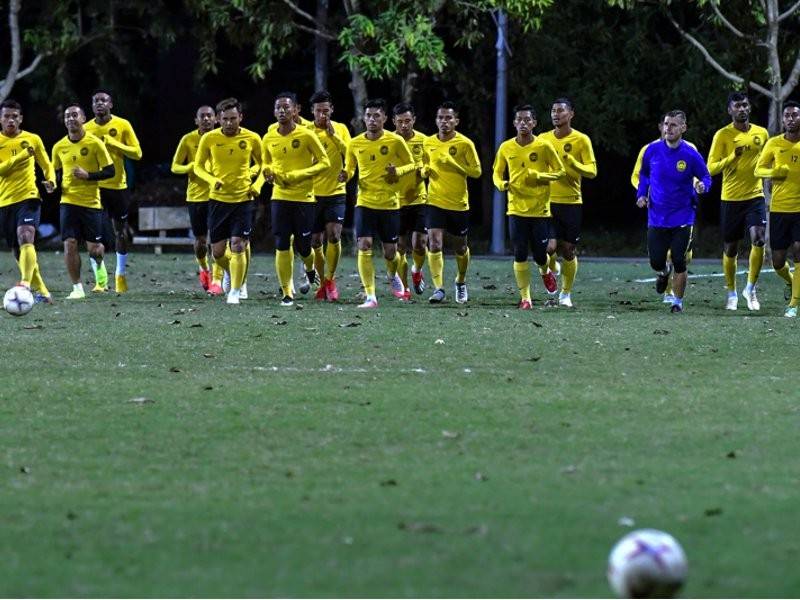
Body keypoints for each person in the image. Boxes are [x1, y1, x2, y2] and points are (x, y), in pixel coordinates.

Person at [340, 98, 415, 308]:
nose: (372, 119)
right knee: (364, 245)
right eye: (368, 115)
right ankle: (370, 296)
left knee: (391, 252)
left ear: (384, 118)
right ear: (363, 118)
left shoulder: (395, 141)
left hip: (389, 203)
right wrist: (345, 175)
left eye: (376, 116)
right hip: (364, 201)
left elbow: (411, 164)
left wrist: (397, 172)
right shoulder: (354, 143)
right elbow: (351, 168)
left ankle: (393, 275)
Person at [636, 110, 711, 313]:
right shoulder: (651, 150)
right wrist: (641, 195)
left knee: (679, 259)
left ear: (683, 128)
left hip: (683, 216)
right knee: (656, 261)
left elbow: (706, 175)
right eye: (666, 124)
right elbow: (643, 175)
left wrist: (703, 186)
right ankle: (662, 272)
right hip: (656, 216)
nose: (668, 128)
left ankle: (677, 302)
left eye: (673, 125)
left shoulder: (690, 154)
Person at [262, 91, 330, 307]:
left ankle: (310, 268)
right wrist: (268, 171)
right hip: (280, 196)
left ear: (295, 110)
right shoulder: (269, 136)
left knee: (303, 246)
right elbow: (266, 161)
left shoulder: (306, 135)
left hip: (304, 198)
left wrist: (299, 175)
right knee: (282, 243)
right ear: (274, 112)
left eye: (286, 107)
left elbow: (324, 162)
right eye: (278, 108)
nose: (282, 111)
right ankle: (286, 291)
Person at [492, 104, 564, 309]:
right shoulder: (506, 147)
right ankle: (526, 298)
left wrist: (541, 176)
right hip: (515, 209)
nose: (523, 123)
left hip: (539, 209)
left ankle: (545, 271)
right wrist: (502, 184)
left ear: (534, 123)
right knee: (520, 253)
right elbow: (496, 173)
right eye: (519, 120)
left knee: (541, 254)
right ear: (514, 123)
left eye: (527, 120)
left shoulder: (543, 147)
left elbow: (560, 172)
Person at [193, 97, 263, 305]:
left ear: (241, 117)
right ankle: (230, 272)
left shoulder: (252, 138)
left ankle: (236, 290)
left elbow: (264, 164)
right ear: (218, 119)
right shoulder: (210, 139)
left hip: (243, 200)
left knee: (238, 245)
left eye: (233, 118)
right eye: (225, 119)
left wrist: (257, 185)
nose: (229, 123)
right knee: (218, 252)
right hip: (218, 202)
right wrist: (212, 179)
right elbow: (198, 167)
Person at [707, 92, 769, 311]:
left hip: (755, 196)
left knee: (759, 239)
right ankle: (732, 292)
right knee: (731, 248)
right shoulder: (722, 135)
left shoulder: (762, 133)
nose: (741, 109)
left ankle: (750, 289)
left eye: (744, 105)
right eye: (737, 106)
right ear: (730, 110)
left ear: (749, 108)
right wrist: (732, 156)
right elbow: (711, 168)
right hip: (731, 198)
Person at [51, 104, 115, 299]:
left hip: (91, 203)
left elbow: (110, 171)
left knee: (94, 250)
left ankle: (99, 264)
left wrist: (88, 176)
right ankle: (77, 288)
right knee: (69, 243)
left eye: (74, 115)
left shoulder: (95, 143)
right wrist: (51, 184)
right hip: (68, 201)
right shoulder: (59, 146)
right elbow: (54, 173)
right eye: (67, 116)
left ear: (83, 118)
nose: (70, 118)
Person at [539, 98, 597, 308]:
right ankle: (549, 270)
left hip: (572, 201)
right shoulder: (543, 139)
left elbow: (592, 171)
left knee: (568, 250)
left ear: (571, 114)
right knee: (548, 247)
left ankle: (566, 294)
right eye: (553, 111)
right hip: (546, 201)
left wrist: (574, 164)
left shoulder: (581, 140)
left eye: (561, 111)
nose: (556, 114)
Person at [423, 101, 482, 304]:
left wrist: (454, 163)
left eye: (448, 118)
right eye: (440, 118)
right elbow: (424, 164)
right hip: (434, 200)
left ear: (456, 121)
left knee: (460, 248)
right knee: (434, 242)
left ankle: (461, 280)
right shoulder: (428, 142)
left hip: (458, 203)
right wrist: (424, 171)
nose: (444, 121)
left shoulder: (465, 144)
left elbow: (476, 172)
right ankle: (438, 288)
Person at [84, 90, 142, 293]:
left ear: (111, 104)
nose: (100, 104)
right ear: (92, 107)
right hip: (94, 188)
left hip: (117, 187)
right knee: (93, 235)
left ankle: (120, 274)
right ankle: (100, 280)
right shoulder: (86, 128)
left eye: (104, 100)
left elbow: (137, 153)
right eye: (96, 101)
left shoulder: (122, 125)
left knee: (120, 232)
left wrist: (114, 143)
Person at [0, 99, 56, 302]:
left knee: (26, 235)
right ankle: (41, 290)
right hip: (4, 201)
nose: (11, 120)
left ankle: (24, 283)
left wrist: (51, 180)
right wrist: (22, 156)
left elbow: (46, 163)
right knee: (17, 250)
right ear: (0, 119)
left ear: (21, 118)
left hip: (29, 196)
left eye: (15, 116)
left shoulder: (33, 139)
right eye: (6, 116)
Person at [754, 100, 800, 317]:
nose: (791, 119)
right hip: (780, 209)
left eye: (795, 115)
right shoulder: (773, 144)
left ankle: (793, 304)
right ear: (782, 119)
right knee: (778, 261)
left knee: (799, 251)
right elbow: (758, 170)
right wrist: (774, 173)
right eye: (787, 116)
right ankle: (791, 283)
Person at [171, 105, 223, 292]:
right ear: (196, 120)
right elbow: (175, 167)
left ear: (216, 119)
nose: (206, 119)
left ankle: (217, 281)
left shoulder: (222, 138)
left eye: (210, 115)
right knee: (201, 241)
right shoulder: (188, 139)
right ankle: (203, 268)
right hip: (196, 196)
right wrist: (190, 167)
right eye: (202, 116)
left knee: (217, 239)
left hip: (218, 195)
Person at [307, 90, 351, 302]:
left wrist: (334, 136)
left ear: (332, 110)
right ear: (312, 112)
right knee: (315, 241)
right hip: (311, 194)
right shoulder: (305, 131)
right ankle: (322, 283)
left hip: (336, 191)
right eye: (318, 111)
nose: (322, 115)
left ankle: (330, 280)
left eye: (326, 110)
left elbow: (351, 154)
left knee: (334, 235)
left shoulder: (340, 129)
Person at [393, 102, 428, 300]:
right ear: (394, 122)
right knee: (400, 246)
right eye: (400, 122)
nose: (404, 125)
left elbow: (429, 164)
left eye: (408, 121)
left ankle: (417, 271)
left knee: (420, 244)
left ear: (414, 120)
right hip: (395, 201)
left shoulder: (424, 140)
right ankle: (404, 288)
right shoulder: (388, 140)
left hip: (419, 198)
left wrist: (424, 170)